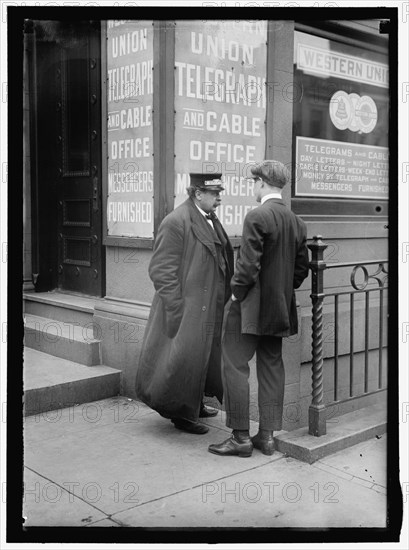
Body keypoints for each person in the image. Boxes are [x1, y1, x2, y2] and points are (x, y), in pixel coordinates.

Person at [208, 160, 309, 457]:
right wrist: (280, 290)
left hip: (249, 309)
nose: (253, 187)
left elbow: (247, 267)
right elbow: (301, 269)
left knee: (234, 365)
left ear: (262, 183)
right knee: (271, 367)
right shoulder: (296, 222)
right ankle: (266, 436)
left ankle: (240, 437)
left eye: (255, 182)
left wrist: (236, 296)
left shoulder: (257, 216)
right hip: (279, 308)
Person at [135, 173, 234, 434]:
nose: (219, 198)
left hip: (207, 305)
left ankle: (194, 403)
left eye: (219, 192)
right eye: (214, 193)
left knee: (199, 359)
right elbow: (160, 270)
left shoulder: (207, 217)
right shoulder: (176, 221)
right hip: (186, 309)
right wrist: (178, 308)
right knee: (181, 361)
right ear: (197, 193)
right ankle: (181, 414)